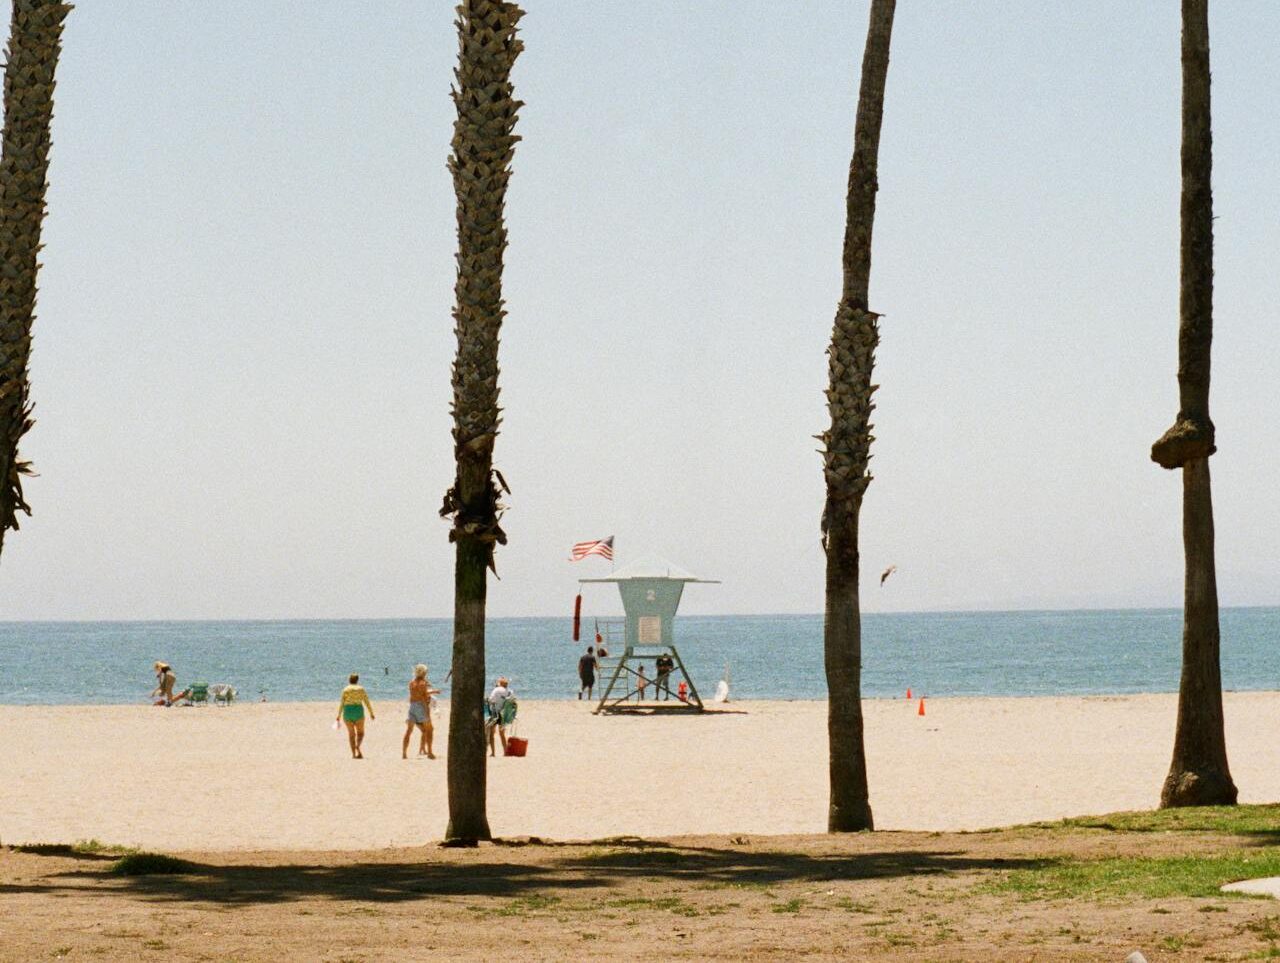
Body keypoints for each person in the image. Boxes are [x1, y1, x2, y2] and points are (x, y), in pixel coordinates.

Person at [403, 664, 441, 759]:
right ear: (424, 673)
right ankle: (430, 752)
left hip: (412, 707)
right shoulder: (424, 683)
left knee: (409, 731)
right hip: (421, 706)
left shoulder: (411, 683)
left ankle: (404, 753)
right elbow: (423, 697)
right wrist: (427, 711)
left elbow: (418, 693)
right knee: (430, 729)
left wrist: (433, 692)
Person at [336, 673, 375, 759]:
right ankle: (358, 745)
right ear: (357, 680)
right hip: (358, 711)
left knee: (351, 734)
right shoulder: (361, 689)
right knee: (360, 733)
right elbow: (366, 702)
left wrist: (338, 715)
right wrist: (371, 713)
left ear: (349, 680)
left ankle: (354, 754)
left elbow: (342, 703)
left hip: (347, 711)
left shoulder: (345, 689)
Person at [486, 677, 514, 757]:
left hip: (495, 713)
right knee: (502, 734)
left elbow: (491, 700)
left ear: (500, 683)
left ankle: (493, 753)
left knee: (492, 733)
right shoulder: (510, 691)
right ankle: (505, 752)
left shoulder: (497, 690)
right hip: (504, 714)